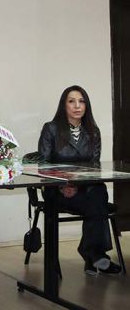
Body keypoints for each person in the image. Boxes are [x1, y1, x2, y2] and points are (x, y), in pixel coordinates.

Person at [38, 85, 122, 275]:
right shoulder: (51, 129)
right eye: (71, 101)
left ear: (86, 105)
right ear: (64, 105)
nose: (77, 106)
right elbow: (43, 167)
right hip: (56, 190)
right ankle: (94, 254)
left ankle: (92, 253)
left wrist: (78, 186)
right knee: (99, 202)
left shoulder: (93, 131)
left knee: (98, 192)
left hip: (86, 189)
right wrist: (62, 187)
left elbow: (93, 169)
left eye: (81, 101)